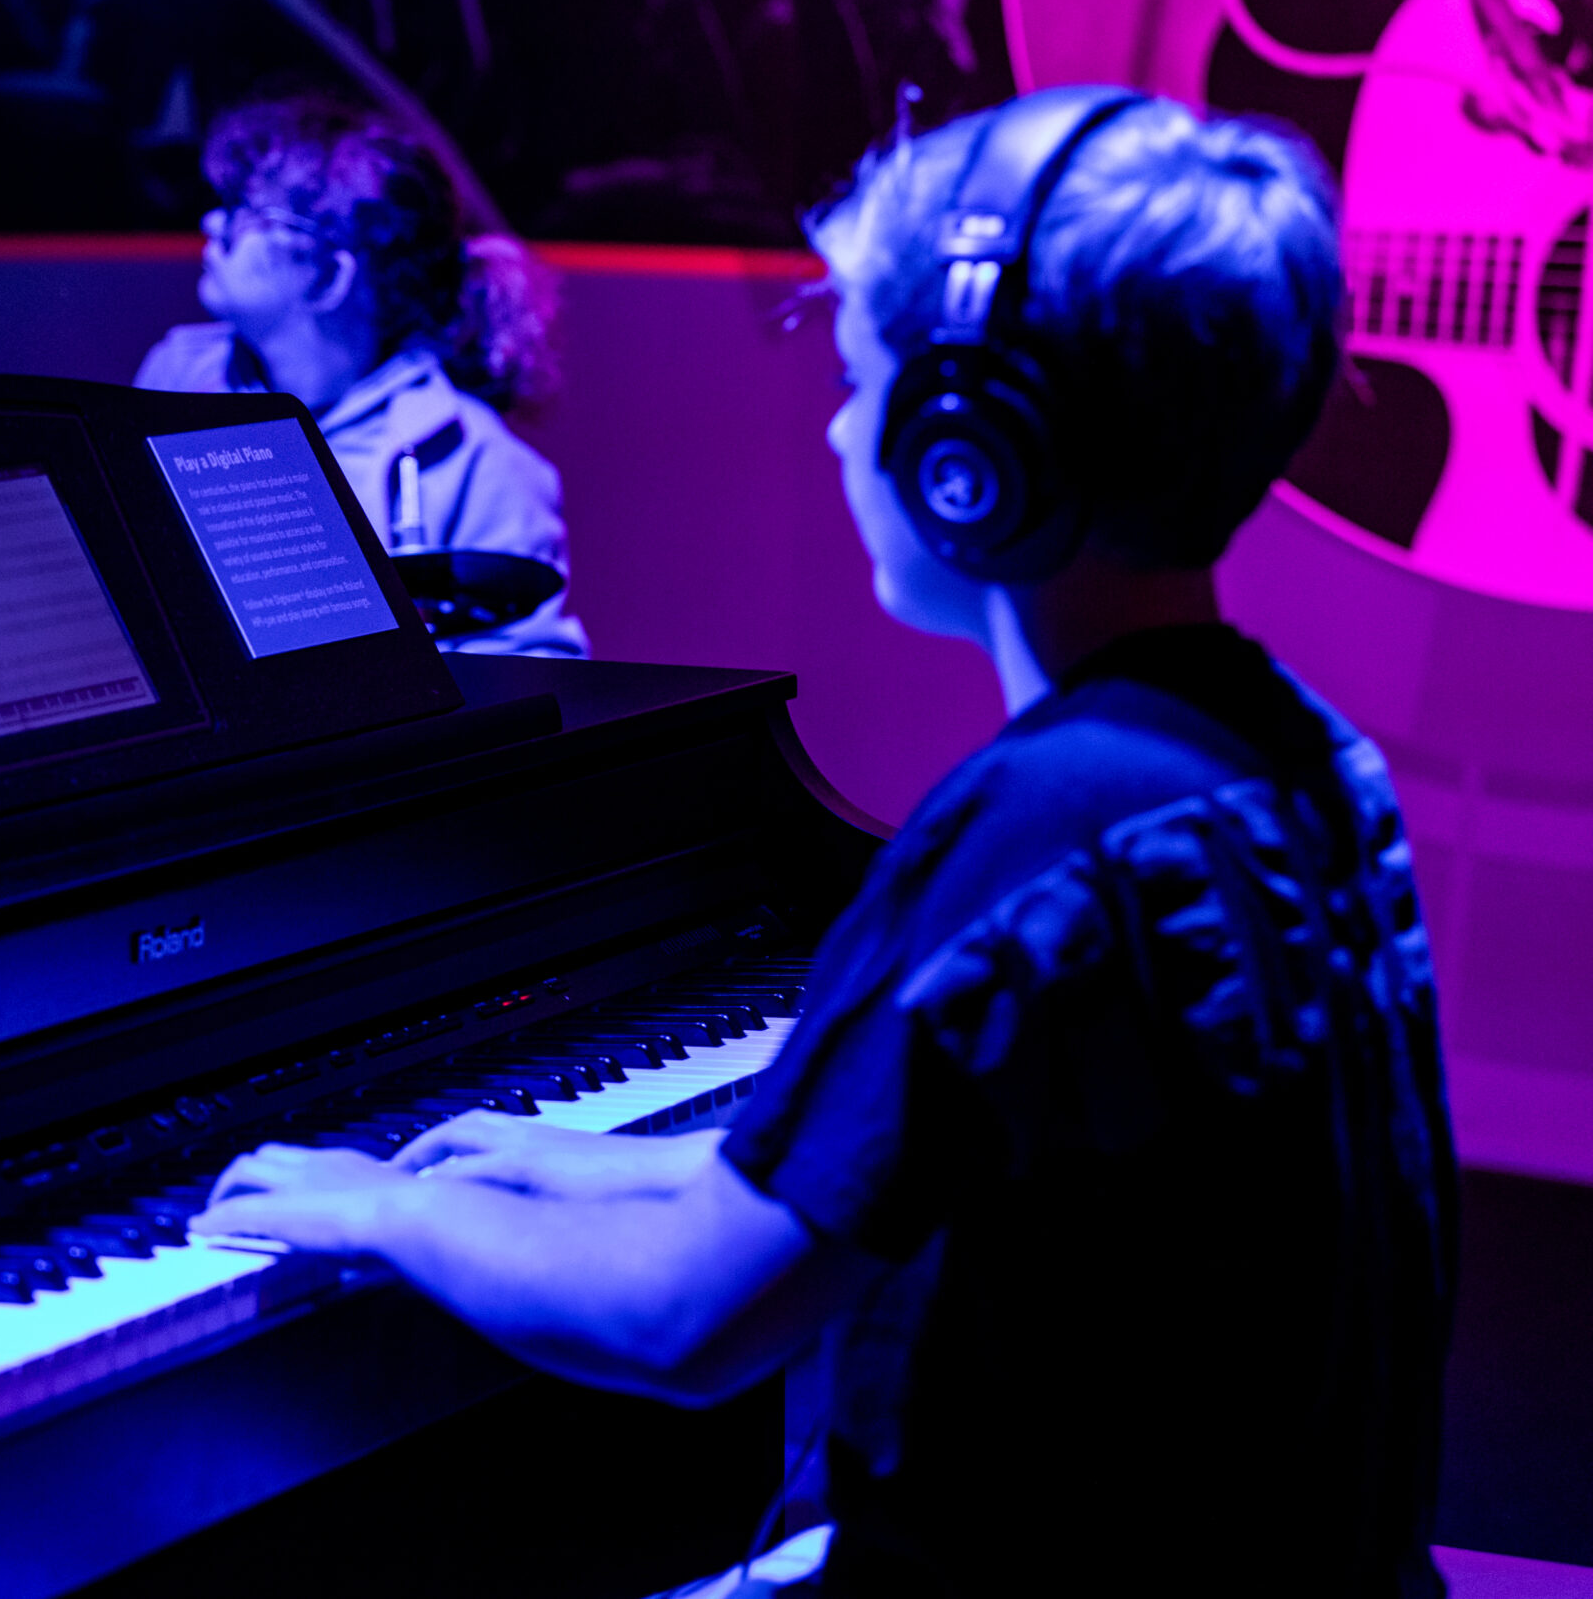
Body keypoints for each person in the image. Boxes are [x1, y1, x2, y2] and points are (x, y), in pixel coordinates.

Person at [195, 89, 1458, 1595]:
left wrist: (387, 1206)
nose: (842, 428)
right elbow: (884, 1171)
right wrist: (578, 1164)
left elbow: (683, 1321)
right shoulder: (1289, 759)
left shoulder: (1035, 830)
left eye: (863, 383)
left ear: (969, 454)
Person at [136, 93, 589, 658]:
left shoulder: (479, 464)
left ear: (329, 275)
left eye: (248, 214)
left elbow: (538, 672)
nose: (212, 222)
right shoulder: (176, 377)